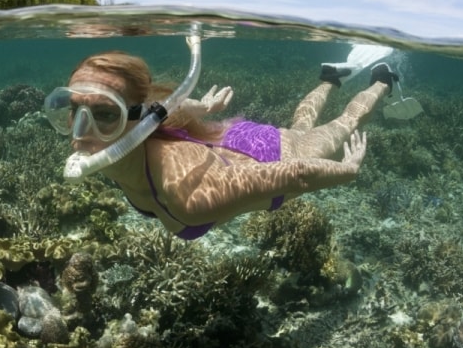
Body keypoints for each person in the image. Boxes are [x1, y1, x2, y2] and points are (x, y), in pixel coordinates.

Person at [44, 50, 399, 239]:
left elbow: (300, 175)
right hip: (236, 144)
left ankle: (382, 78)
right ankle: (331, 79)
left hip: (272, 158)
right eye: (73, 109)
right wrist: (200, 107)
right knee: (301, 126)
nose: (80, 131)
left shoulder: (188, 196)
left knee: (344, 125)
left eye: (106, 114)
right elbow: (163, 110)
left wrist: (347, 171)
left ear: (136, 118)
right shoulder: (116, 145)